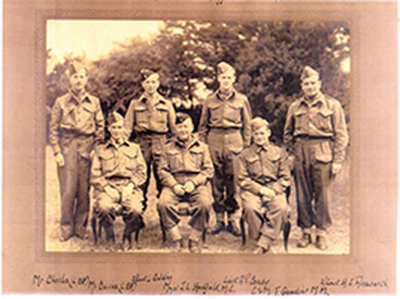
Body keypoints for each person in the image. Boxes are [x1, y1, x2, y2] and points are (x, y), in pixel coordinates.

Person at [283, 66, 348, 250]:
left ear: (319, 84)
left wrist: (337, 160)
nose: (310, 87)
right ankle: (305, 231)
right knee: (302, 195)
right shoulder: (295, 106)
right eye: (306, 83)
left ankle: (321, 232)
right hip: (300, 151)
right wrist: (290, 154)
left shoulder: (332, 105)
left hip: (323, 150)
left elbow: (341, 135)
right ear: (301, 85)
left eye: (313, 83)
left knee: (323, 196)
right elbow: (287, 133)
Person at [49, 60, 105, 242]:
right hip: (67, 147)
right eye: (75, 77)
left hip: (87, 148)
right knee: (67, 190)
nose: (79, 80)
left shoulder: (94, 102)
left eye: (82, 76)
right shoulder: (61, 101)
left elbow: (100, 128)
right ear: (69, 79)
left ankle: (80, 229)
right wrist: (57, 151)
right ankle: (66, 229)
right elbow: (53, 129)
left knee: (84, 190)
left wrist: (96, 150)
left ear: (86, 79)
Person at [198, 61, 252, 236]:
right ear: (218, 78)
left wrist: (246, 148)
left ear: (233, 79)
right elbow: (203, 127)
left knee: (234, 183)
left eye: (229, 77)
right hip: (214, 140)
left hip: (235, 140)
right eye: (223, 77)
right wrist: (204, 148)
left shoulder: (242, 100)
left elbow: (247, 126)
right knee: (216, 182)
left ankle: (234, 219)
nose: (226, 80)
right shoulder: (209, 100)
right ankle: (220, 219)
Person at [157, 113, 214, 253]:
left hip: (196, 185)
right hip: (174, 184)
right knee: (163, 204)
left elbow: (208, 170)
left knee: (205, 203)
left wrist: (194, 183)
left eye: (186, 126)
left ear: (192, 127)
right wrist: (174, 185)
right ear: (175, 128)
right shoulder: (167, 147)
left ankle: (194, 239)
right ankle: (176, 239)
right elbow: (162, 170)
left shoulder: (203, 147)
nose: (183, 130)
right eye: (180, 127)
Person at [91, 112, 147, 250]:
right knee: (104, 208)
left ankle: (127, 236)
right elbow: (95, 174)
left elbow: (141, 171)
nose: (117, 131)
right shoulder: (100, 149)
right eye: (114, 127)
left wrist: (130, 186)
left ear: (124, 128)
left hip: (129, 187)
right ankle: (110, 237)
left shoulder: (134, 148)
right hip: (107, 187)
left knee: (136, 210)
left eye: (120, 127)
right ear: (109, 129)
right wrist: (107, 188)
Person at [124, 69, 177, 208]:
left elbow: (174, 130)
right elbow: (127, 128)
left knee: (163, 180)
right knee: (140, 180)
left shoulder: (166, 104)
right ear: (143, 84)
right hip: (142, 144)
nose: (150, 85)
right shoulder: (135, 104)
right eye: (147, 82)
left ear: (158, 84)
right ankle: (137, 218)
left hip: (162, 144)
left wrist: (172, 147)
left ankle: (165, 220)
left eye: (153, 82)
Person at [237, 117, 291, 253]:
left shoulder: (279, 152)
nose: (259, 137)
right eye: (256, 134)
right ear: (252, 135)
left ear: (268, 133)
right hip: (253, 190)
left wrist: (272, 191)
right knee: (250, 208)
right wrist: (261, 190)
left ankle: (263, 243)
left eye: (262, 133)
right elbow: (243, 179)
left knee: (280, 208)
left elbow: (285, 178)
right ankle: (259, 242)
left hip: (274, 190)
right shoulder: (244, 155)